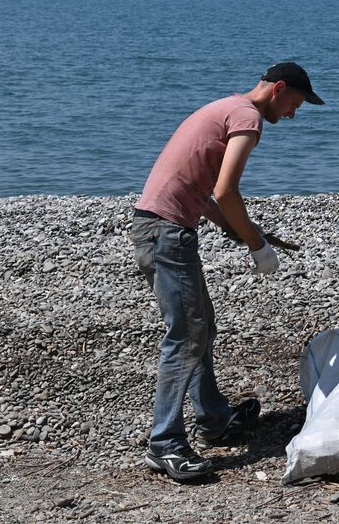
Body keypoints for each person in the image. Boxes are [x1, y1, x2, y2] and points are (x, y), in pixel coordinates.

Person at [130, 62, 324, 480]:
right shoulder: (248, 118)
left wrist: (240, 230)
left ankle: (215, 418)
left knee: (201, 327)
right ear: (278, 89)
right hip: (166, 233)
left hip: (158, 227)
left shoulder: (225, 107)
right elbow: (225, 189)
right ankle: (164, 443)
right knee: (185, 335)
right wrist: (256, 245)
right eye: (295, 103)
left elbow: (201, 191)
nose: (293, 113)